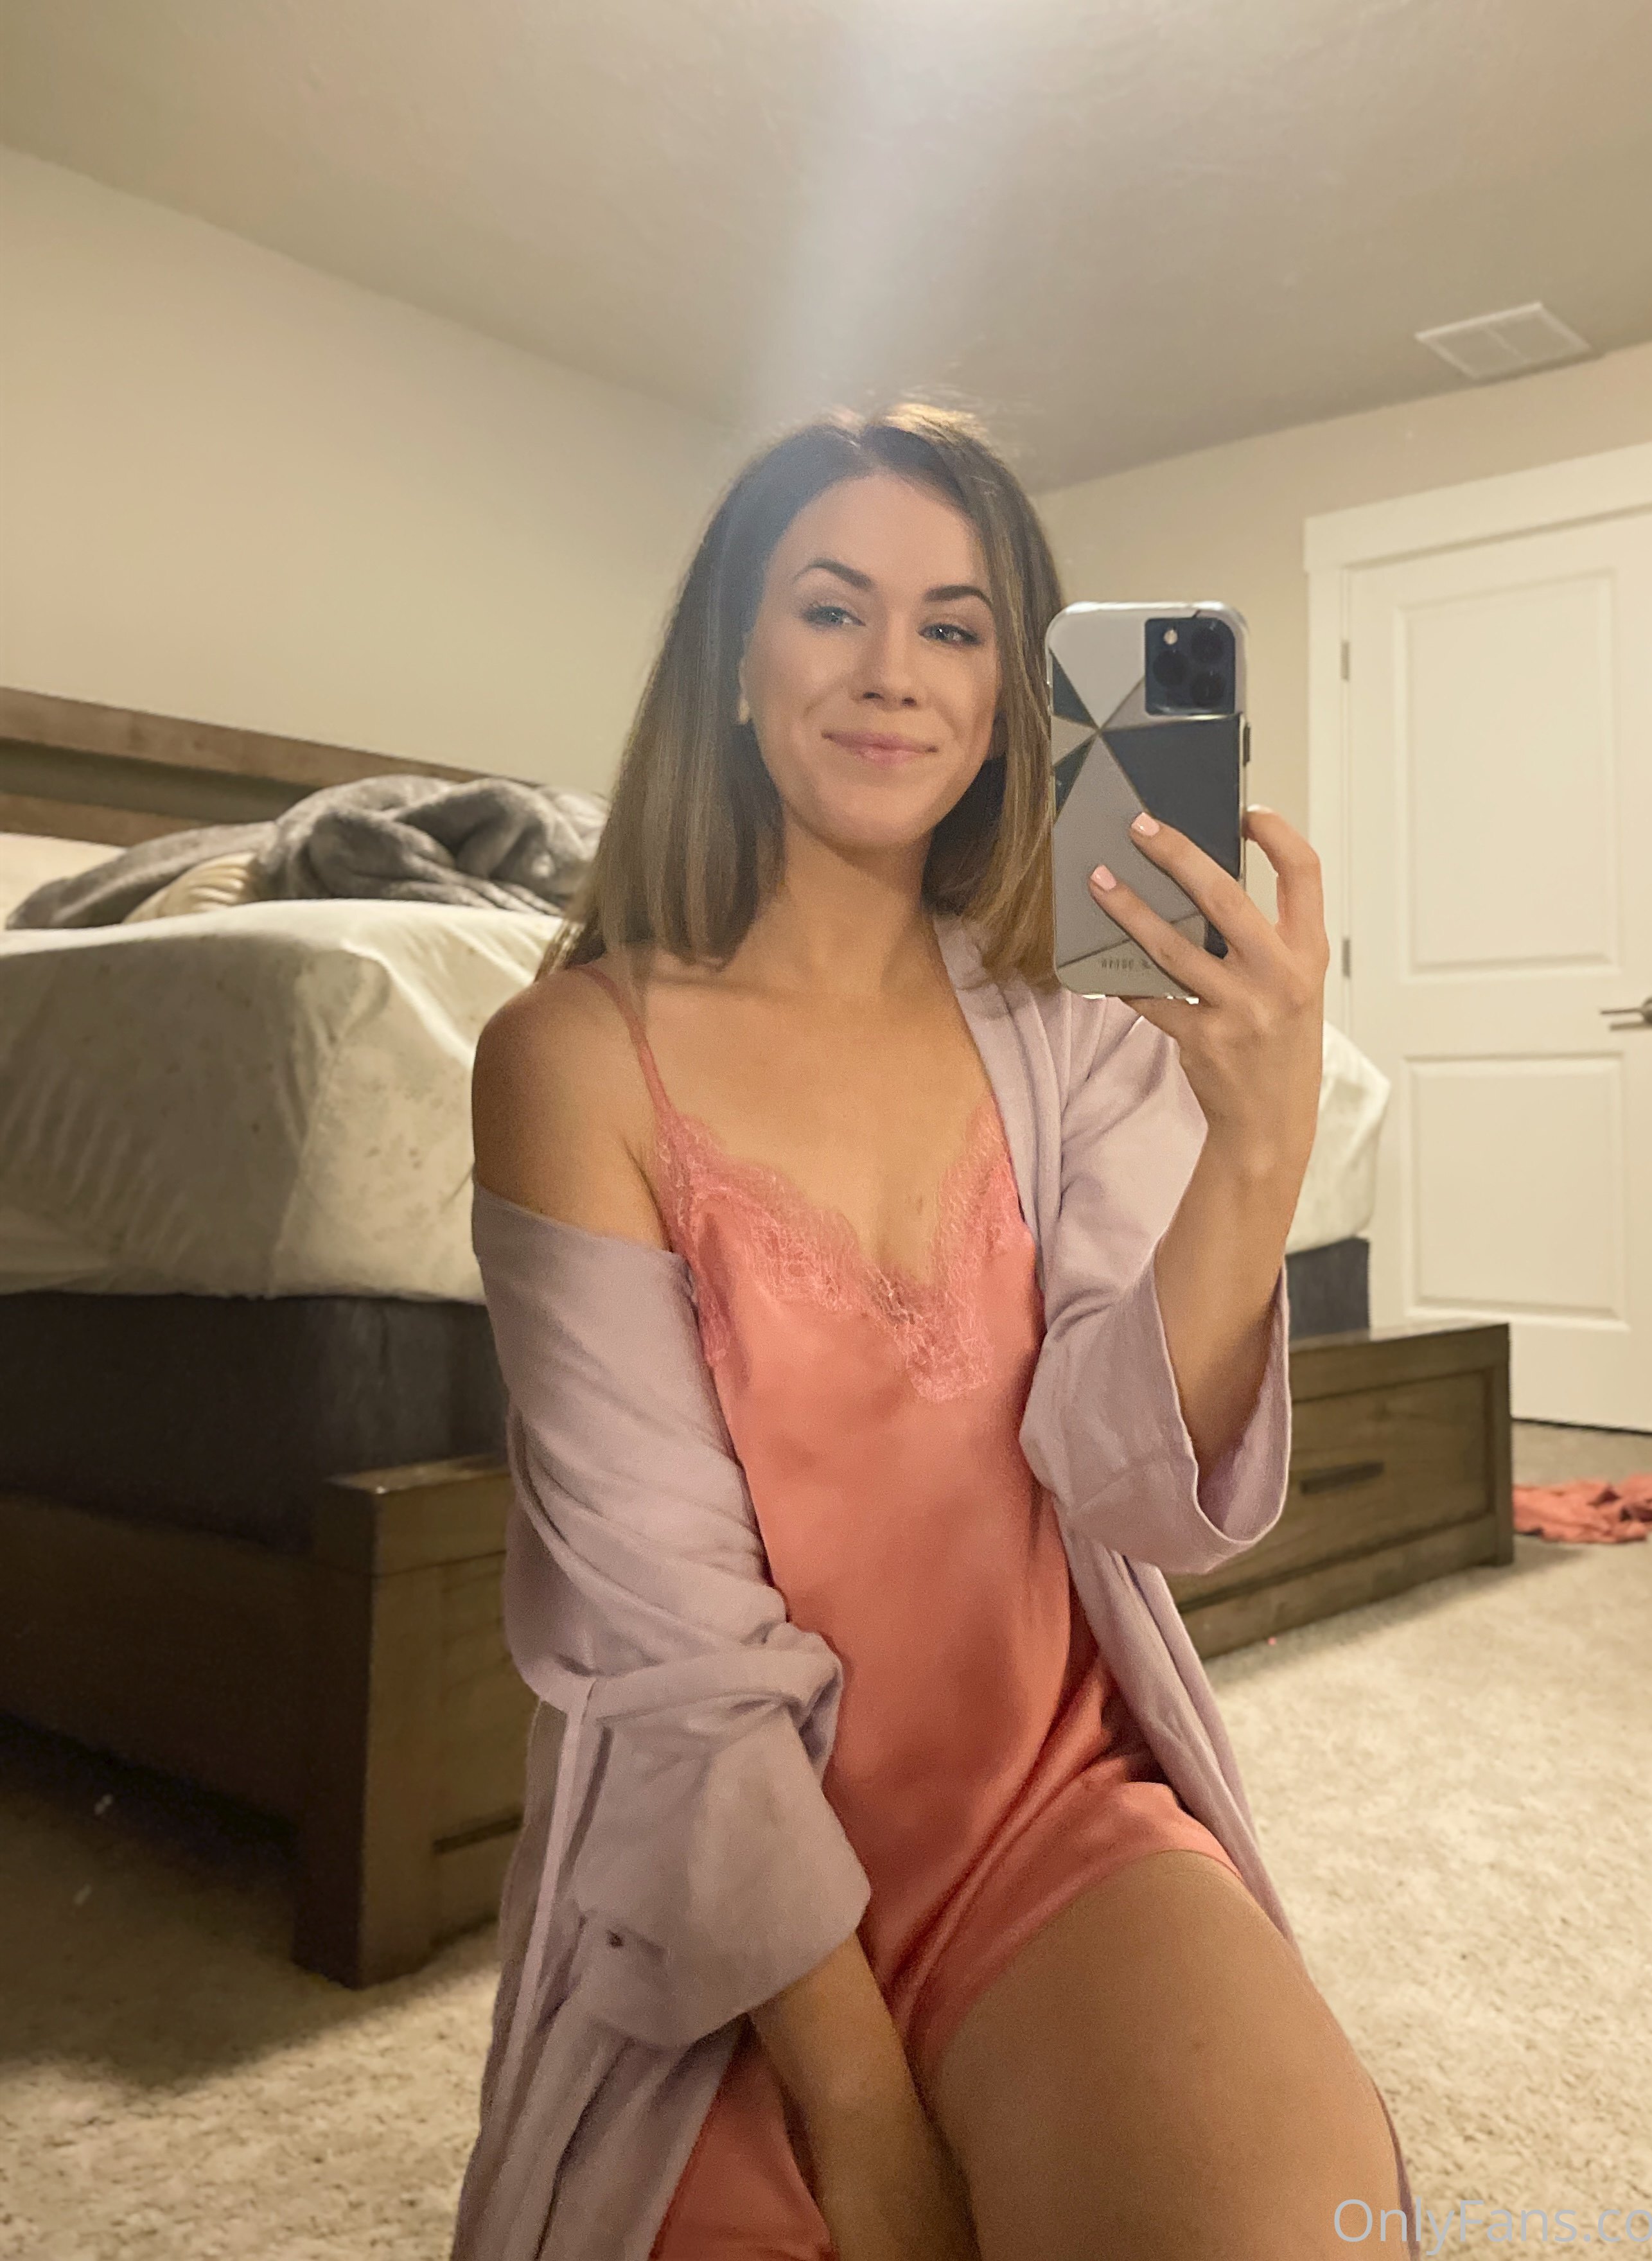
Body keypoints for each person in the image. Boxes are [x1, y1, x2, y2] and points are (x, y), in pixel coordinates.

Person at [455, 403, 1419, 2261]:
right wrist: (864, 2108)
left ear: (1010, 701)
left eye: (958, 627)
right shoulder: (571, 1060)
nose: (895, 670)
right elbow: (669, 1654)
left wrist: (1258, 1145)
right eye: (832, 607)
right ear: (733, 663)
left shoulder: (1081, 1037)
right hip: (724, 1899)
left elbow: (1134, 1493)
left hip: (1051, 1815)